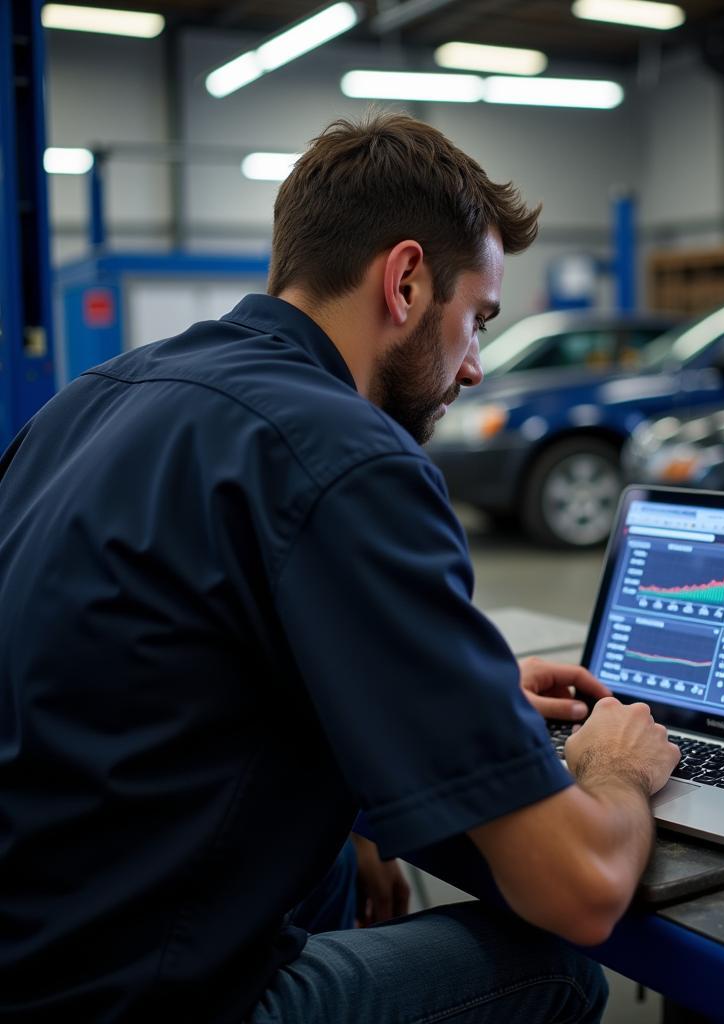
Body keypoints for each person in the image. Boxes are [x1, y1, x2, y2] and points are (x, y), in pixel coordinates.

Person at [0, 112, 679, 1023]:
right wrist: (617, 770)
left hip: (32, 943)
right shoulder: (350, 456)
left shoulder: (96, 398)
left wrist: (449, 696)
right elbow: (584, 887)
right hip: (133, 1000)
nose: (476, 366)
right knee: (552, 966)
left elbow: (165, 660)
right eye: (476, 319)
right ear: (404, 280)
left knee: (329, 866)